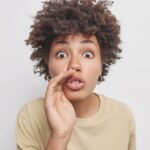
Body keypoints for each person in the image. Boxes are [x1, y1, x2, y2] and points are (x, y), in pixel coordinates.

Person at [16, 0, 136, 150]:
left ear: (101, 64)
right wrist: (60, 135)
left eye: (87, 54)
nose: (74, 65)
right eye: (61, 54)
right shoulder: (31, 116)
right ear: (48, 63)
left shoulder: (123, 116)